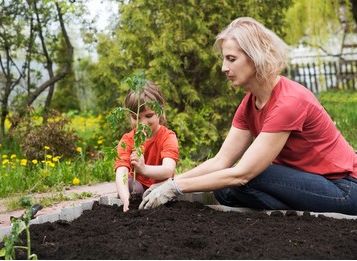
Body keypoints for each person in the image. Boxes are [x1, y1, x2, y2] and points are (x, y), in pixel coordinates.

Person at [139, 17, 357, 215]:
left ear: (255, 57)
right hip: (310, 183)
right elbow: (221, 161)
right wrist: (170, 182)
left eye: (232, 59)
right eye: (224, 59)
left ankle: (298, 213)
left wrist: (177, 188)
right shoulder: (249, 103)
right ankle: (297, 213)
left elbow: (243, 173)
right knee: (223, 190)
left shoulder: (289, 101)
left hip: (344, 187)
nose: (224, 68)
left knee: (250, 177)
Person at [115, 80, 179, 212]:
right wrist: (127, 200)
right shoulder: (128, 139)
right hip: (137, 187)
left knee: (164, 190)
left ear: (160, 112)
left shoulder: (168, 137)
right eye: (136, 117)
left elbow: (168, 170)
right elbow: (121, 172)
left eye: (149, 116)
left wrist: (144, 169)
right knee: (131, 186)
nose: (143, 123)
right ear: (129, 116)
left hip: (160, 186)